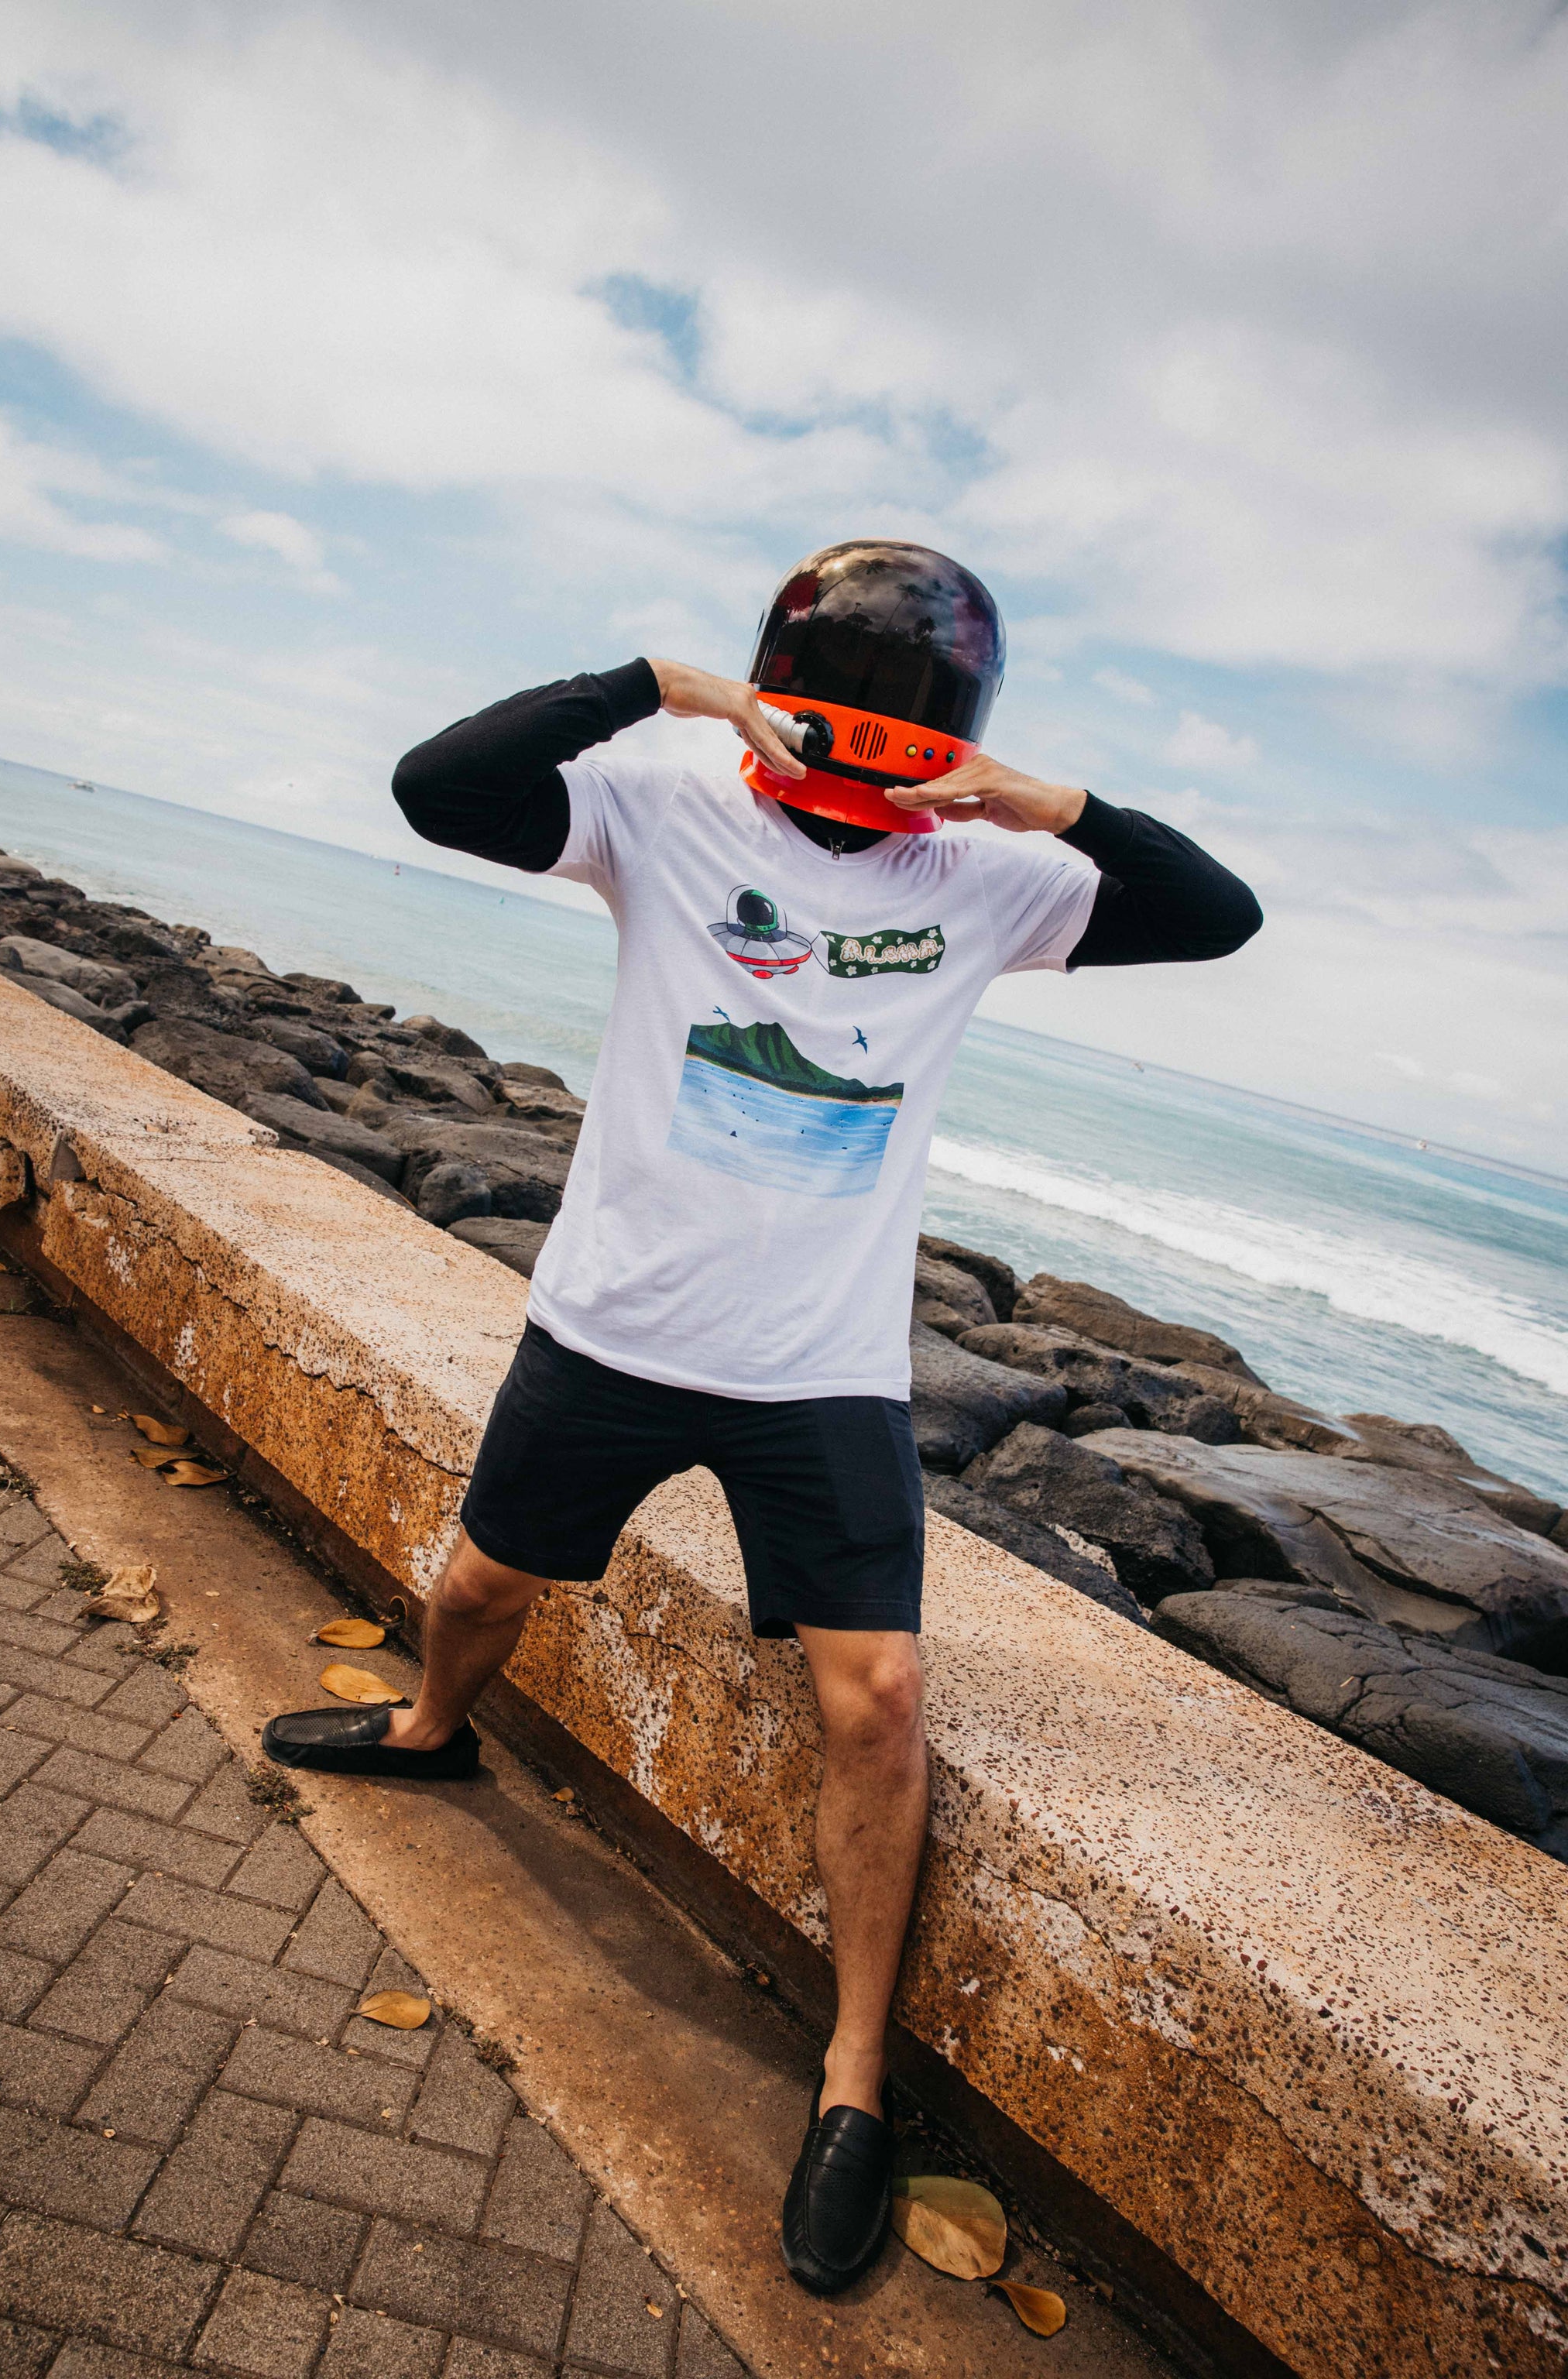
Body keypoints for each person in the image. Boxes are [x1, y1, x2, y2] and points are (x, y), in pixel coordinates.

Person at [262, 541, 1261, 2295]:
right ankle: (429, 1729)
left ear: (950, 736)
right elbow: (438, 787)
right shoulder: (661, 809)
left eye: (899, 733)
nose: (857, 759)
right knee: (486, 1587)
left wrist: (1043, 800)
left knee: (880, 1700)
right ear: (773, 703)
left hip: (824, 1368)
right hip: (611, 1327)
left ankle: (854, 2081)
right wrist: (666, 688)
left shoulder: (987, 879)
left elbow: (1216, 914)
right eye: (828, 720)